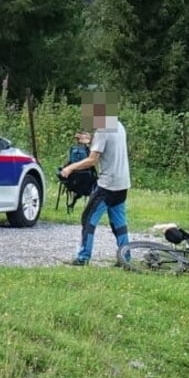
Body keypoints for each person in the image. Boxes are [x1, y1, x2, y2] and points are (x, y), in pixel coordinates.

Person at [59, 92, 130, 266]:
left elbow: (92, 160)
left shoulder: (102, 130)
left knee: (88, 219)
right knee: (119, 223)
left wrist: (69, 168)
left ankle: (83, 257)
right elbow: (106, 145)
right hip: (122, 184)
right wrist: (89, 140)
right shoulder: (118, 125)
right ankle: (126, 258)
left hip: (107, 186)